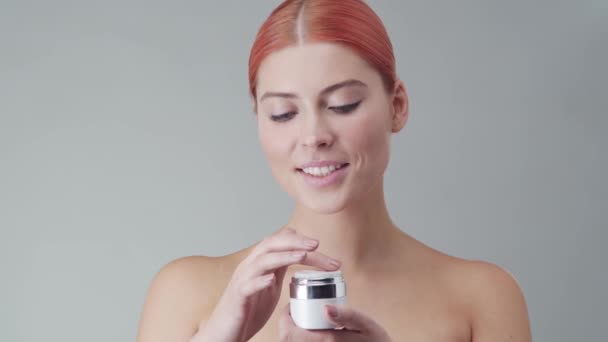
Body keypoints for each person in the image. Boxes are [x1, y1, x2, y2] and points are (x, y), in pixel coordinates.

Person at [137, 0, 532, 341]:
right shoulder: (186, 294)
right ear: (259, 118)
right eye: (283, 113)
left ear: (397, 106)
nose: (313, 136)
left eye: (342, 105)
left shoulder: (482, 299)